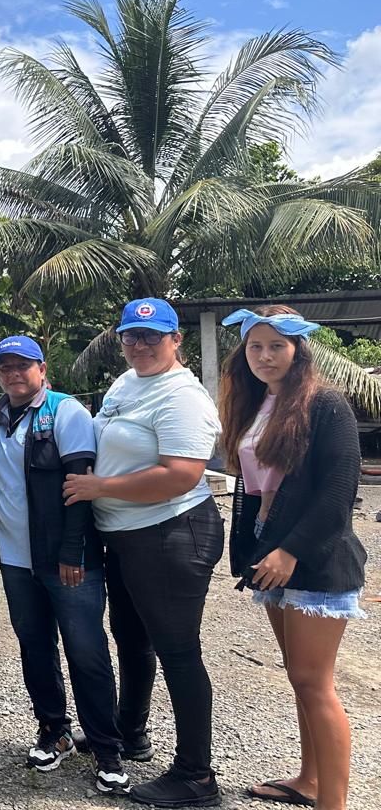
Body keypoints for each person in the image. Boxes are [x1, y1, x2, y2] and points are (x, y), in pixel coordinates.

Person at [63, 298, 224, 807]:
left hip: (171, 532)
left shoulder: (182, 396)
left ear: (176, 340)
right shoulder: (127, 382)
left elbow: (182, 474)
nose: (140, 345)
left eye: (153, 336)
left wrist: (99, 487)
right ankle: (129, 731)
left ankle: (196, 774)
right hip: (126, 534)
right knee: (131, 639)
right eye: (131, 335)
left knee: (178, 651)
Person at [219, 306, 367, 810]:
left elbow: (338, 493)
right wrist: (258, 550)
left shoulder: (325, 403)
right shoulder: (258, 402)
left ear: (298, 349)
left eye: (277, 346)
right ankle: (308, 781)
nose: (265, 356)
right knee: (298, 677)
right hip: (271, 551)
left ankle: (334, 803)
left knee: (314, 682)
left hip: (316, 555)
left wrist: (290, 550)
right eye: (255, 346)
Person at [0, 336, 128, 793]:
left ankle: (107, 748)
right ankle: (53, 731)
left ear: (42, 369)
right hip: (15, 559)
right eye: (4, 367)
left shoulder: (65, 412)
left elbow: (80, 485)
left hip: (68, 561)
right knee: (34, 647)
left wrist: (72, 552)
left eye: (22, 365)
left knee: (86, 652)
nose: (13, 374)